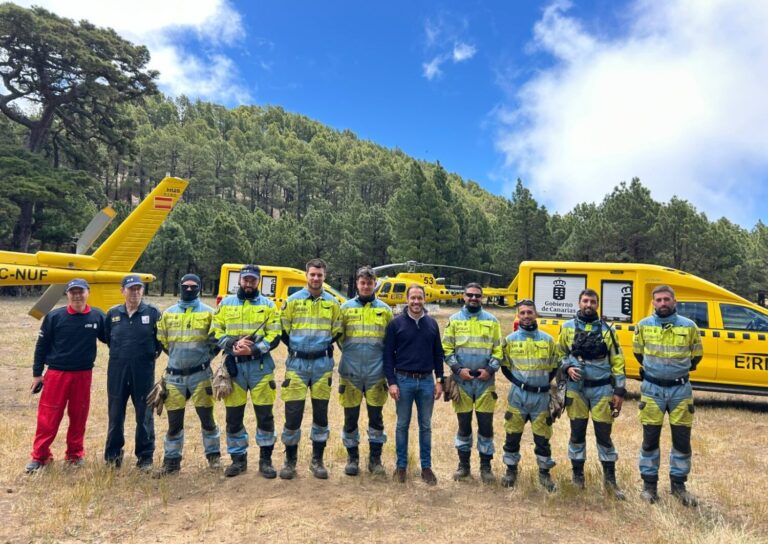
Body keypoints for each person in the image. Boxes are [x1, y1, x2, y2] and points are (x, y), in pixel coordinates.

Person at [25, 278, 107, 473]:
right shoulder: (54, 316)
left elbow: (112, 339)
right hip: (56, 374)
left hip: (83, 374)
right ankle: (40, 457)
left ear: (88, 292)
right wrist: (37, 374)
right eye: (73, 292)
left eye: (81, 291)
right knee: (48, 417)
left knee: (79, 416)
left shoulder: (97, 316)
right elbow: (41, 346)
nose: (77, 295)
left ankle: (74, 455)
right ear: (67, 294)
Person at [633, 285, 702, 506]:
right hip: (652, 390)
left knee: (682, 440)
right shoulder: (642, 326)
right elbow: (638, 353)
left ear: (675, 301)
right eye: (659, 300)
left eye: (666, 299)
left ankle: (679, 486)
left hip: (680, 390)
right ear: (653, 303)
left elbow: (696, 356)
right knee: (650, 439)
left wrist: (675, 372)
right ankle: (649, 486)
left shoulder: (689, 327)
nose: (663, 303)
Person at [210, 265, 281, 478]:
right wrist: (233, 344)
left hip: (260, 369)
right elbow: (215, 332)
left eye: (253, 280)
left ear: (258, 281)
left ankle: (265, 460)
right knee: (233, 417)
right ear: (239, 280)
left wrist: (254, 348)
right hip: (234, 370)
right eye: (245, 279)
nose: (248, 283)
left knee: (265, 416)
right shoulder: (226, 305)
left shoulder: (268, 306)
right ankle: (238, 459)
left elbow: (275, 334)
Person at [557, 289, 626, 499]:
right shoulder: (567, 328)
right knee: (577, 434)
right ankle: (577, 478)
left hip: (602, 390)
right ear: (579, 303)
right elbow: (559, 354)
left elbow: (618, 360)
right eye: (585, 301)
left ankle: (610, 482)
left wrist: (620, 390)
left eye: (593, 302)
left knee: (604, 435)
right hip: (576, 391)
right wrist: (567, 367)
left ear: (597, 305)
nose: (588, 305)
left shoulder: (607, 330)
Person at [279, 258, 343, 480]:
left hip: (322, 366)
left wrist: (317, 350)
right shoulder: (292, 301)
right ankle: (290, 461)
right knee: (293, 414)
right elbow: (283, 332)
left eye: (320, 275)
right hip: (297, 366)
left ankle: (317, 461)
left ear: (325, 277)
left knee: (320, 415)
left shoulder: (333, 304)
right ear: (306, 275)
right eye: (312, 274)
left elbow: (336, 332)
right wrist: (300, 350)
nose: (316, 278)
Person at [154, 274, 221, 476]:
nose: (189, 289)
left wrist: (205, 358)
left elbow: (216, 342)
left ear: (200, 288)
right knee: (174, 423)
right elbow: (163, 342)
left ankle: (214, 458)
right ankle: (171, 462)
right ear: (180, 286)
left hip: (200, 376)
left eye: (194, 286)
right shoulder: (168, 314)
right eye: (186, 286)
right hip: (174, 378)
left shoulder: (210, 313)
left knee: (207, 420)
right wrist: (177, 359)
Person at [384, 284, 444, 485]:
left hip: (427, 381)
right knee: (402, 425)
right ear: (407, 299)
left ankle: (426, 467)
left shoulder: (432, 324)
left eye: (420, 298)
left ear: (424, 299)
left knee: (425, 426)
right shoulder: (396, 324)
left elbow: (438, 354)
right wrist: (392, 383)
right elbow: (388, 356)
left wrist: (439, 380)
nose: (416, 302)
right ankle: (401, 467)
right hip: (403, 381)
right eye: (413, 298)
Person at [442, 283, 502, 483]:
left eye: (477, 295)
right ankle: (464, 466)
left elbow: (498, 350)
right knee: (464, 426)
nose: (474, 298)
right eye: (470, 295)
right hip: (462, 384)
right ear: (464, 297)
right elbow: (447, 349)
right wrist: (458, 370)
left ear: (482, 297)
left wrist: (491, 369)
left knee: (486, 427)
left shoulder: (492, 321)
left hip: (485, 384)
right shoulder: (454, 321)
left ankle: (486, 467)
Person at [499, 299, 560, 491]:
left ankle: (544, 473)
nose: (526, 316)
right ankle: (511, 470)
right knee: (512, 435)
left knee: (543, 438)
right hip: (518, 396)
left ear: (536, 314)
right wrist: (521, 384)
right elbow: (505, 367)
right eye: (522, 313)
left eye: (529, 312)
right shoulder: (510, 340)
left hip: (541, 398)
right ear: (518, 315)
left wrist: (540, 385)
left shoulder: (548, 340)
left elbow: (554, 367)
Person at [338, 266, 393, 476]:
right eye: (362, 283)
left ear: (374, 284)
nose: (366, 286)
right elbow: (340, 339)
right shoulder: (345, 309)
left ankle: (375, 460)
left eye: (370, 283)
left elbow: (390, 342)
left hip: (376, 373)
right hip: (350, 373)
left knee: (376, 419)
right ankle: (352, 459)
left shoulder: (385, 311)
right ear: (357, 284)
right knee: (350, 418)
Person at [103, 275, 162, 470]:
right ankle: (113, 457)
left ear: (142, 291)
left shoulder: (153, 313)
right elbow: (107, 337)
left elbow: (160, 340)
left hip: (143, 372)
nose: (135, 292)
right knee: (115, 414)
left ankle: (145, 458)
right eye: (131, 289)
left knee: (144, 414)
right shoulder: (113, 314)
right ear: (122, 291)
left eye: (138, 288)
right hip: (117, 371)